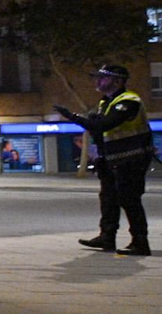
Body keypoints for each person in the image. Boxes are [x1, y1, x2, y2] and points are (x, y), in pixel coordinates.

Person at [54, 64, 153, 256]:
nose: (97, 81)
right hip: (110, 159)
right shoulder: (105, 102)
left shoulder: (128, 101)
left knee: (129, 200)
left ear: (117, 81)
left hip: (132, 159)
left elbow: (104, 125)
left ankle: (140, 243)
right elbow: (99, 131)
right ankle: (107, 237)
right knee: (108, 199)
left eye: (103, 77)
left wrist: (72, 116)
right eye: (97, 77)